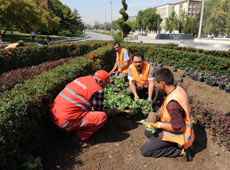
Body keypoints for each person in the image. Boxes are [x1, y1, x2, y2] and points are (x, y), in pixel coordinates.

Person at [50, 70, 119, 146]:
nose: (104, 87)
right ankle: (79, 138)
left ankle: (69, 130)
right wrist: (110, 111)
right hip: (65, 122)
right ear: (100, 82)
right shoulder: (98, 90)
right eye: (105, 84)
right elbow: (98, 111)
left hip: (53, 115)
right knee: (101, 117)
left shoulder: (81, 79)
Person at [140, 68, 194, 161]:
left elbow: (179, 128)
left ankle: (181, 150)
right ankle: (164, 141)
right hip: (180, 128)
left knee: (145, 150)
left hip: (180, 135)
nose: (155, 86)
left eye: (156, 83)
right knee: (148, 132)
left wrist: (159, 124)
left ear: (162, 84)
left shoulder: (172, 105)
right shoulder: (177, 89)